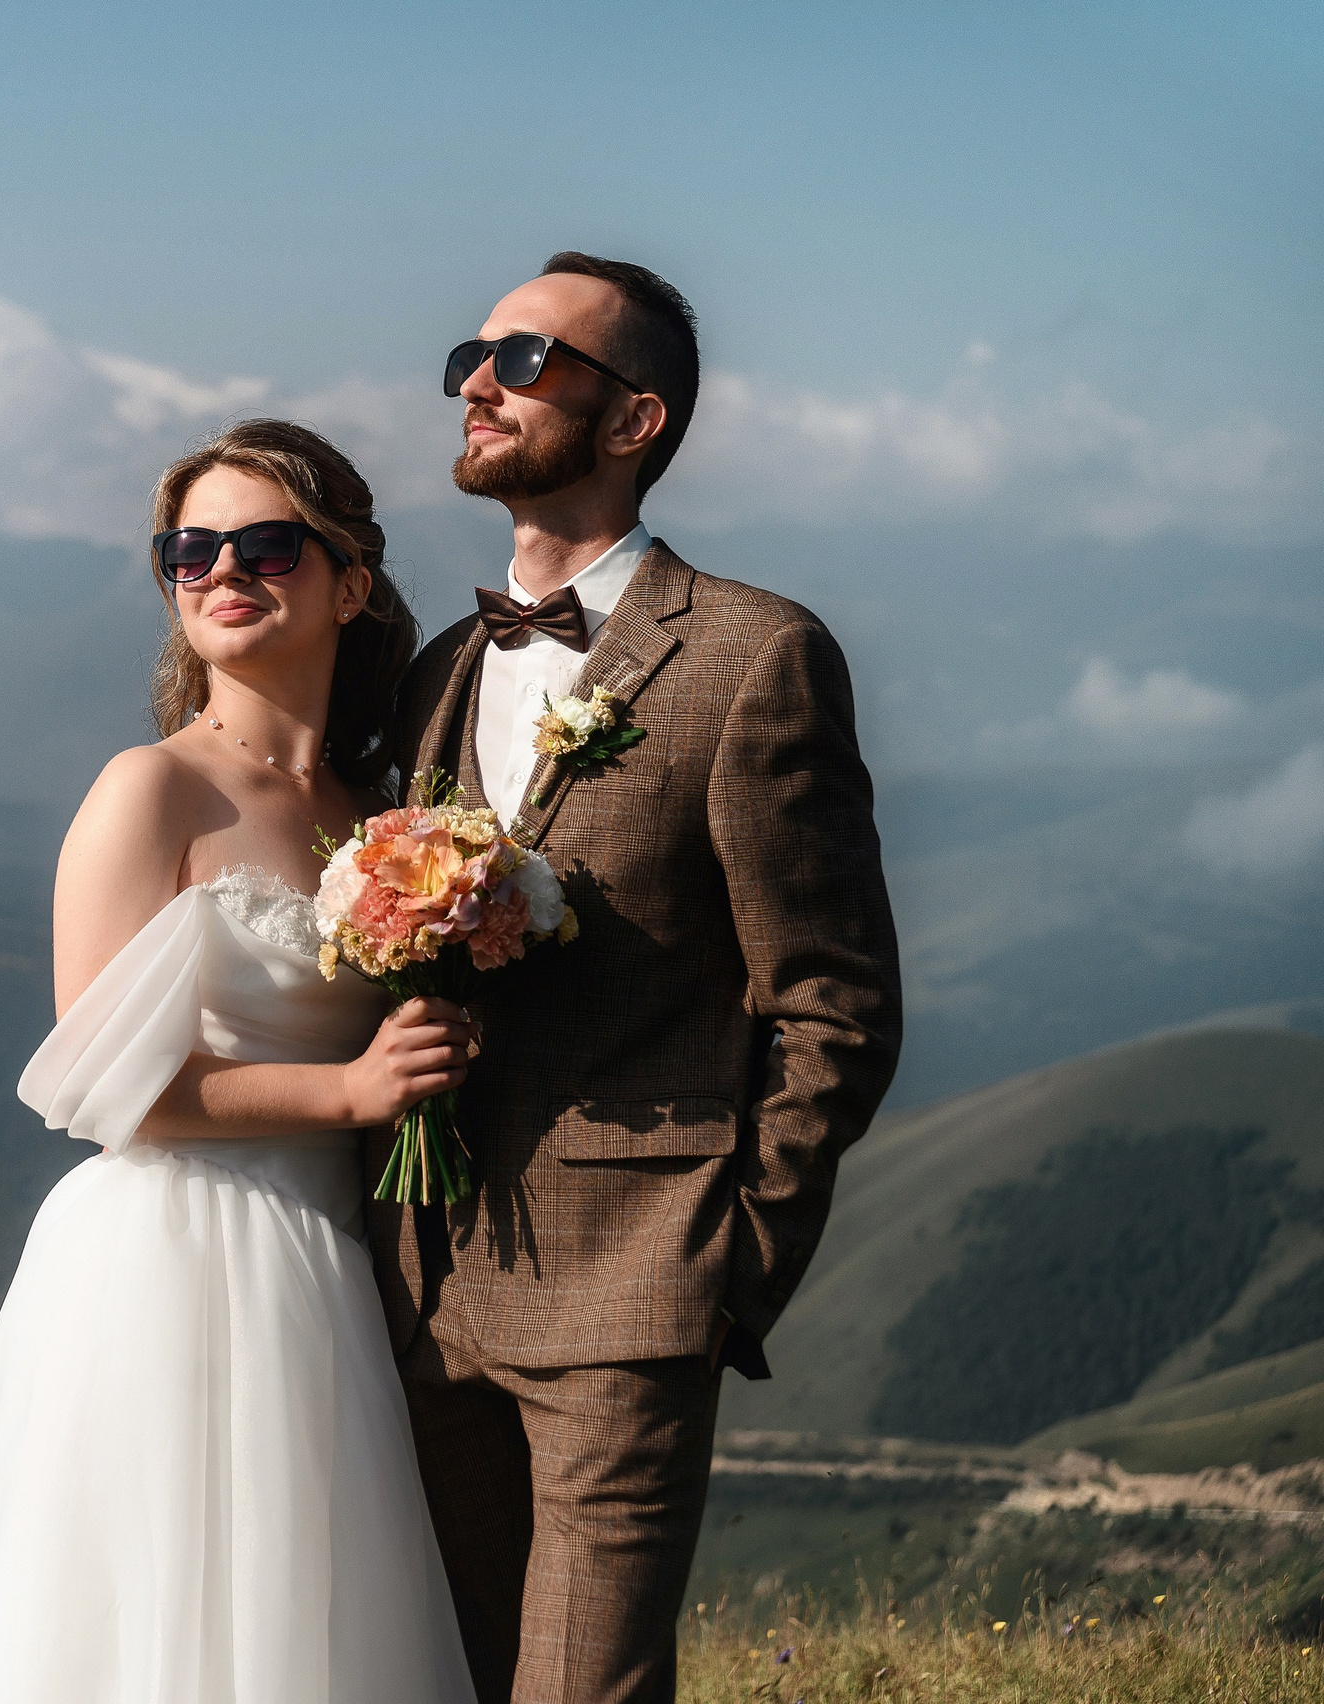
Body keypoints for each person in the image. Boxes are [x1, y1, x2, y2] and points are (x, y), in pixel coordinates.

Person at [376, 254, 904, 1702]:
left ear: (633, 421)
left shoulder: (753, 655)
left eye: (529, 361)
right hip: (421, 1284)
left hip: (635, 1283)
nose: (478, 381)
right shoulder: (433, 670)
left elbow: (833, 1003)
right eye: (473, 354)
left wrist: (731, 1266)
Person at [0, 420, 479, 1704]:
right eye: (189, 549)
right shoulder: (148, 790)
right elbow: (96, 1080)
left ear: (351, 581)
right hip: (171, 1261)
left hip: (330, 1259)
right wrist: (347, 1092)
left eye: (267, 544)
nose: (225, 570)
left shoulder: (375, 813)